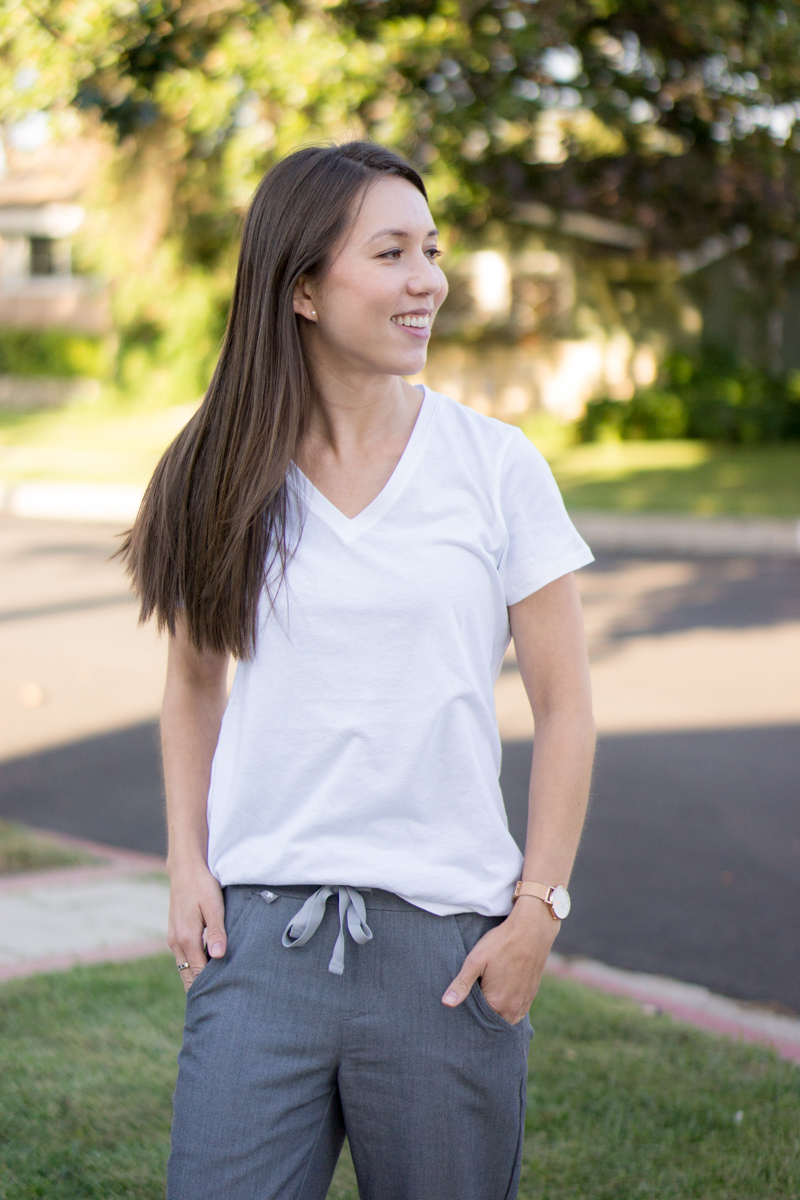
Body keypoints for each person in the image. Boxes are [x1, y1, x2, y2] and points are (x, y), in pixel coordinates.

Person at [120, 140, 596, 1200]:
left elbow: (565, 707)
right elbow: (194, 684)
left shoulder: (495, 465)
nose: (426, 279)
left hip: (446, 957)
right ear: (299, 287)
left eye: (429, 249)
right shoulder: (217, 471)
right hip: (259, 948)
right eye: (390, 253)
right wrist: (187, 863)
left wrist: (536, 911)